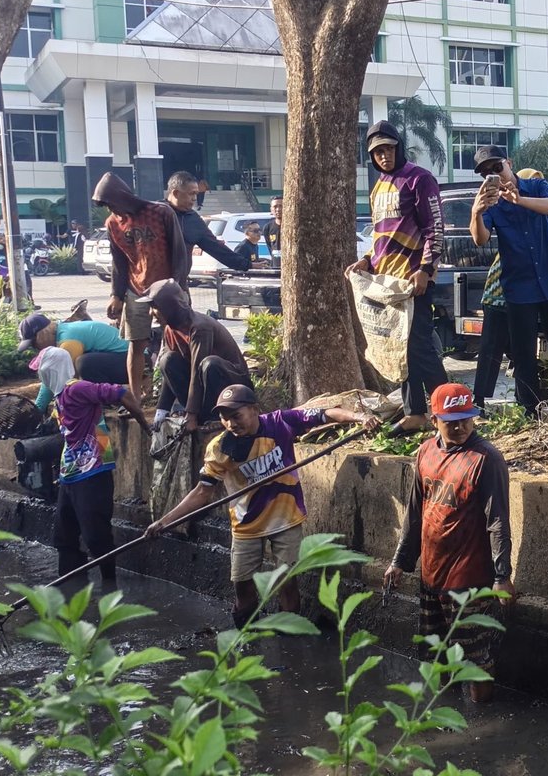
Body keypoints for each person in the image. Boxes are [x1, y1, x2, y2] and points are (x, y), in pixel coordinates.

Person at [148, 384, 374, 629]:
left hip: (286, 519)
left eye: (236, 416)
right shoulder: (219, 448)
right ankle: (246, 633)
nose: (231, 424)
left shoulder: (280, 423)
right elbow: (202, 491)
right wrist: (164, 522)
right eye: (225, 418)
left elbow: (325, 414)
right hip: (246, 525)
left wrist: (359, 417)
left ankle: (288, 634)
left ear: (254, 410)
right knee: (243, 587)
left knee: (287, 581)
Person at [383, 384, 514, 702]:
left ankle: (482, 720)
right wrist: (400, 561)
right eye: (451, 421)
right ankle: (444, 713)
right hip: (431, 576)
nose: (460, 427)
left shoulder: (485, 459)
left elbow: (497, 520)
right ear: (434, 421)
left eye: (466, 419)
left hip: (468, 581)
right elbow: (415, 512)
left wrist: (502, 576)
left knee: (475, 661)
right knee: (435, 653)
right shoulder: (425, 452)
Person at [345, 120, 448, 432]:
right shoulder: (379, 187)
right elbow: (382, 237)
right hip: (387, 285)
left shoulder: (419, 179)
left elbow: (435, 228)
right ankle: (415, 413)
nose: (384, 156)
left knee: (421, 347)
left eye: (388, 149)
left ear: (398, 148)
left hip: (414, 282)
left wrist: (425, 269)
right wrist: (366, 260)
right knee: (401, 350)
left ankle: (451, 409)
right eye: (378, 152)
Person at [38, 345, 150, 591]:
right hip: (70, 473)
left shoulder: (77, 388)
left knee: (96, 537)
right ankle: (70, 587)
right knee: (64, 537)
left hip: (93, 470)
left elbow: (120, 392)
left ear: (53, 370)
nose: (41, 376)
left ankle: (109, 586)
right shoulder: (60, 396)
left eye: (43, 371)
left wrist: (143, 422)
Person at [468, 145, 548, 411]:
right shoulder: (491, 204)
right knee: (524, 355)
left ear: (509, 163)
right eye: (487, 173)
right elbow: (480, 239)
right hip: (519, 289)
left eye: (497, 167)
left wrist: (519, 199)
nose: (494, 175)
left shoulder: (535, 185)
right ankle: (529, 410)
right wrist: (476, 212)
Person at [94, 172, 189, 403]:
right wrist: (116, 295)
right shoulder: (112, 224)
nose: (111, 209)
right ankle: (135, 397)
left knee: (177, 340)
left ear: (123, 198)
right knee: (136, 344)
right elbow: (119, 262)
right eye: (107, 206)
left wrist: (175, 288)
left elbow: (179, 253)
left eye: (112, 203)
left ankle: (178, 395)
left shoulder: (160, 212)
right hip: (135, 289)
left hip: (166, 288)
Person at [147, 278, 253, 429]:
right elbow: (170, 372)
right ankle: (200, 415)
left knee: (210, 364)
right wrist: (161, 411)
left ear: (169, 306)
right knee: (167, 360)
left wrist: (191, 414)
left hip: (233, 387)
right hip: (204, 386)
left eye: (155, 307)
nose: (151, 313)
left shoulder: (199, 328)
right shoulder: (170, 329)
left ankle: (212, 417)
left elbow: (197, 371)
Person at [17, 313, 130, 409]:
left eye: (34, 343)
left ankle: (108, 399)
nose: (35, 348)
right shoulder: (63, 330)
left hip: (129, 363)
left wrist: (38, 409)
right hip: (120, 360)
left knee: (83, 363)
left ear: (43, 334)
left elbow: (59, 377)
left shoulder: (68, 341)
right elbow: (52, 378)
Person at [166, 171, 251, 284]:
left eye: (196, 194)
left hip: (178, 285)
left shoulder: (193, 219)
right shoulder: (153, 215)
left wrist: (247, 265)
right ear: (176, 193)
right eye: (191, 194)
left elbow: (216, 248)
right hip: (149, 285)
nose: (195, 198)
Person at [470, 254, 510, 403]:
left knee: (522, 353)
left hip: (524, 299)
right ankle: (479, 401)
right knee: (490, 350)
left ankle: (526, 403)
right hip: (497, 295)